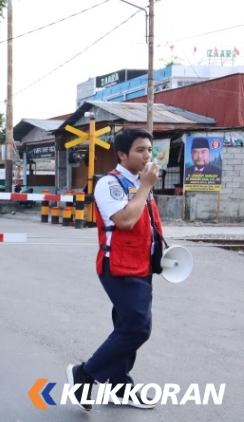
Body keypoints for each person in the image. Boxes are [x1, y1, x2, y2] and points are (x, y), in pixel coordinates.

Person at [66, 128, 162, 411]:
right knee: (137, 328)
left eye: (149, 149)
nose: (147, 156)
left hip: (142, 266)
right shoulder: (110, 184)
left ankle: (120, 388)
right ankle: (84, 375)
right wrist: (145, 187)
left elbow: (149, 227)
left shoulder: (141, 181)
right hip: (118, 267)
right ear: (122, 154)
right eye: (140, 150)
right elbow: (125, 221)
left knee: (126, 327)